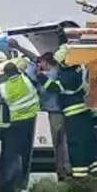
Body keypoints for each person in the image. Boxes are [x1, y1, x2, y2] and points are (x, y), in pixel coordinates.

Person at [39, 46, 97, 177]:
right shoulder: (78, 70)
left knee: (76, 144)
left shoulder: (67, 76)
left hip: (73, 116)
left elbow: (54, 87)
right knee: (89, 140)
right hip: (84, 112)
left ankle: (80, 174)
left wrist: (41, 77)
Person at [0, 62, 39, 192]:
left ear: (6, 74)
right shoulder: (26, 78)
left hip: (16, 123)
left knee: (13, 155)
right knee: (29, 153)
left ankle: (9, 188)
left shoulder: (3, 87)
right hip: (34, 120)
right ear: (17, 71)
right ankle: (27, 181)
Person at [29, 52, 71, 180]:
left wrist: (34, 68)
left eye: (41, 62)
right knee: (61, 144)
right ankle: (63, 170)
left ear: (46, 62)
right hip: (61, 113)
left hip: (53, 113)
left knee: (53, 143)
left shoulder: (50, 75)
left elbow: (40, 87)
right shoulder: (59, 72)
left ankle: (55, 171)